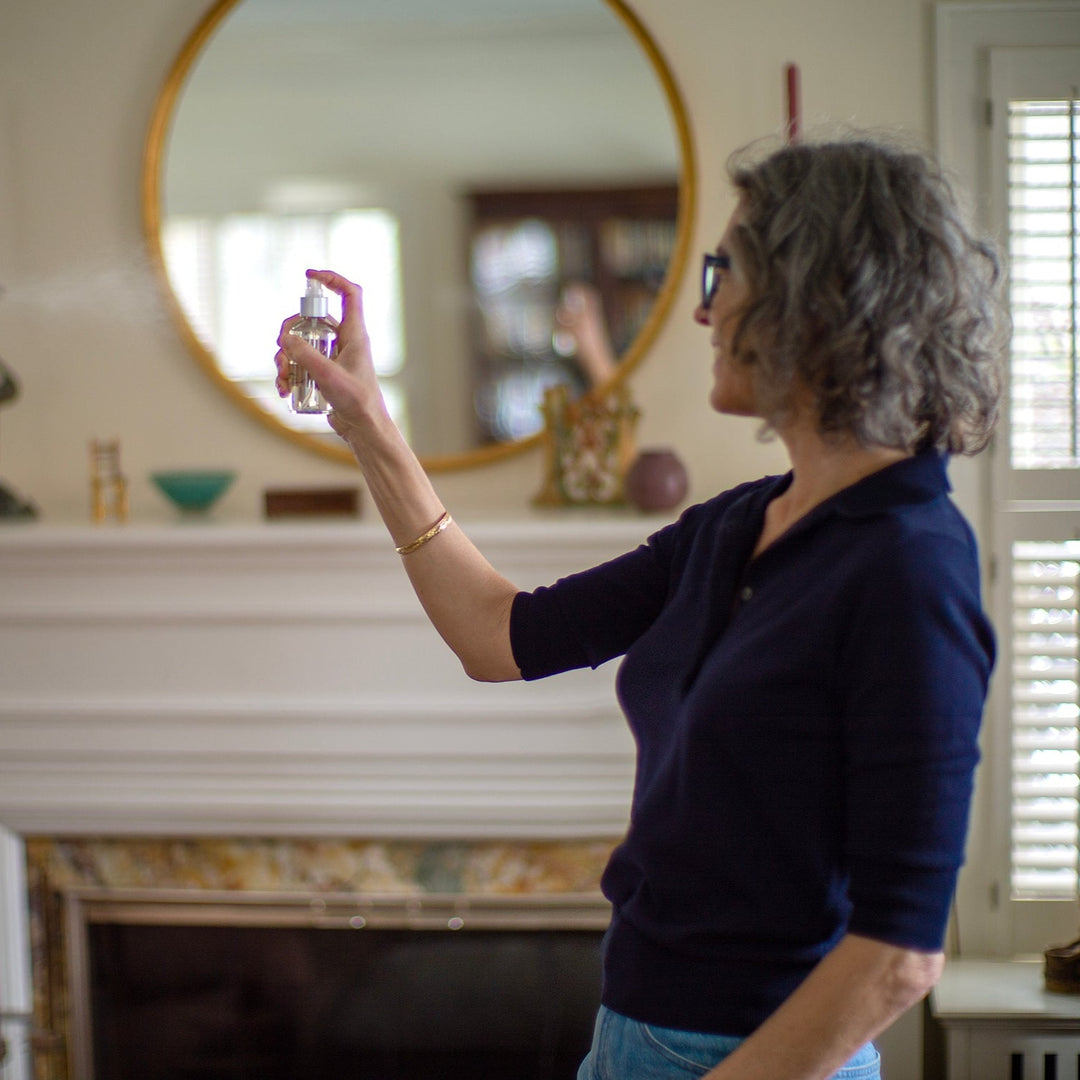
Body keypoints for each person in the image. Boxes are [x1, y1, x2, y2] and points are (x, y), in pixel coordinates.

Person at [274, 134, 1006, 1080]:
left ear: (816, 297)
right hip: (631, 1036)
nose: (702, 309)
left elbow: (899, 955)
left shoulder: (912, 567)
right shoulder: (736, 527)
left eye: (722, 272)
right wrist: (367, 420)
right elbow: (498, 635)